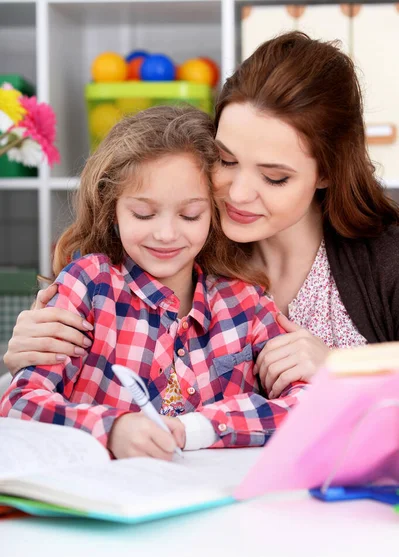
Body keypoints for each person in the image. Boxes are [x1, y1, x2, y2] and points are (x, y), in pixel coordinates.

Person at [5, 31, 399, 396]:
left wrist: (344, 366)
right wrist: (32, 350)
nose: (239, 194)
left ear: (327, 172)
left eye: (275, 177)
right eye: (226, 160)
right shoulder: (181, 243)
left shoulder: (384, 258)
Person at [0, 105, 306, 461]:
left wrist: (201, 428)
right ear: (112, 210)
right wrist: (112, 430)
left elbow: (309, 403)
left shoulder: (244, 301)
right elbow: (20, 405)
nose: (165, 234)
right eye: (143, 214)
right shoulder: (89, 286)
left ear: (214, 212)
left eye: (190, 215)